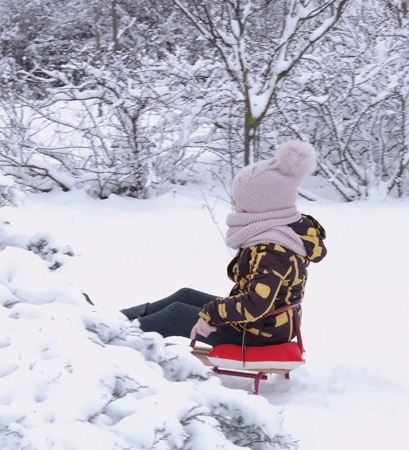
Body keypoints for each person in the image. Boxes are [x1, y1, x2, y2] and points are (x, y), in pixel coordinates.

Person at [121, 140, 327, 347]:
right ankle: (119, 321)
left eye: (240, 200)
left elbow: (256, 304)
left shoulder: (273, 249)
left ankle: (119, 338)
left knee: (176, 315)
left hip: (259, 332)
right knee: (185, 295)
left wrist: (212, 313)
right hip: (265, 323)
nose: (235, 204)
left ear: (263, 207)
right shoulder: (279, 232)